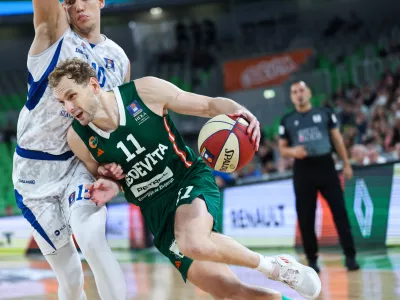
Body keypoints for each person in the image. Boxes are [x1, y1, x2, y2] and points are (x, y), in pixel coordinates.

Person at [48, 58, 322, 300]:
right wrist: (110, 183)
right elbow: (103, 173)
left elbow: (207, 105)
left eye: (72, 96)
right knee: (230, 293)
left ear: (93, 85)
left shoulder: (144, 92)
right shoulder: (78, 137)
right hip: (156, 212)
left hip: (186, 179)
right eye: (62, 102)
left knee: (192, 241)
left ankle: (276, 267)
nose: (69, 107)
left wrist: (241, 112)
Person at [12, 1, 130, 299]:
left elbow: (119, 123)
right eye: (68, 0)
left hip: (80, 162)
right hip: (34, 177)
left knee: (92, 238)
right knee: (71, 278)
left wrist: (114, 173)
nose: (76, 4)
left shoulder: (119, 59)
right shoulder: (53, 37)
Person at [278, 81, 360, 273]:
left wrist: (346, 163)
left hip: (326, 167)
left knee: (340, 213)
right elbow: (282, 149)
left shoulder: (325, 113)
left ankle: (350, 256)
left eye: (302, 91)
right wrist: (293, 151)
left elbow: (337, 139)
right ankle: (312, 260)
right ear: (291, 97)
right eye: (294, 92)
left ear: (309, 93)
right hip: (303, 170)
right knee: (306, 217)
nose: (299, 94)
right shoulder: (287, 120)